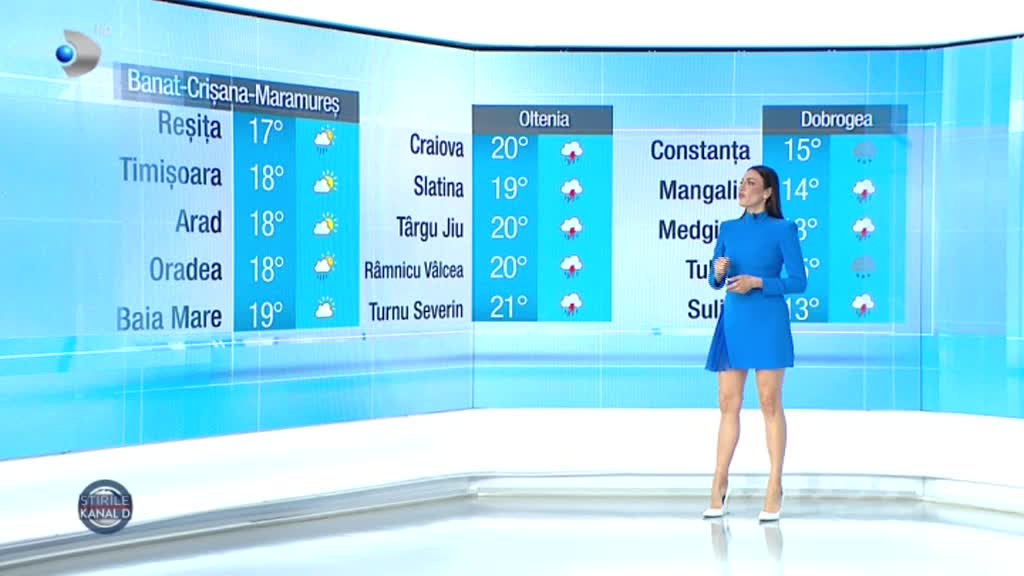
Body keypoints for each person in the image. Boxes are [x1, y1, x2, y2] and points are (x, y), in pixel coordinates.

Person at [700, 165, 807, 522]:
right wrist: (718, 274)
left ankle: (774, 484)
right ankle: (719, 482)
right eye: (741, 182)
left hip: (768, 321)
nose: (742, 187)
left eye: (751, 183)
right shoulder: (728, 229)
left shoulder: (784, 229)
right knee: (727, 403)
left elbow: (798, 282)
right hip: (734, 321)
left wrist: (759, 283)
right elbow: (715, 279)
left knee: (769, 401)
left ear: (767, 192)